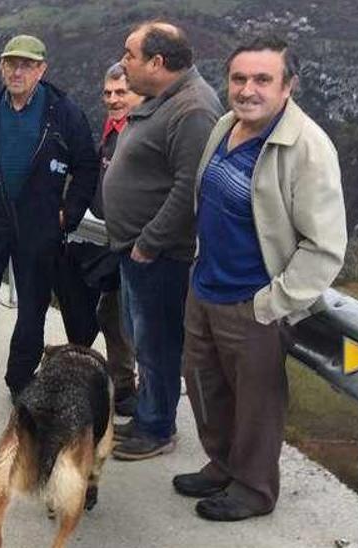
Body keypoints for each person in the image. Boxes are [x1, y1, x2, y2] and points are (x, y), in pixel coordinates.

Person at [175, 36, 347, 521]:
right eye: (239, 78)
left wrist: (273, 302)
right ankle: (223, 464)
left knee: (256, 403)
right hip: (205, 285)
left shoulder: (307, 148)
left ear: (288, 86)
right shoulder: (226, 126)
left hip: (254, 300)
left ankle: (252, 487)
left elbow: (325, 245)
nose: (247, 89)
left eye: (262, 79)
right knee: (205, 385)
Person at [0, 34, 99, 407]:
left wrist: (69, 213)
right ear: (2, 67)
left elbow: (86, 165)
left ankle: (21, 379)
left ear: (42, 69)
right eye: (11, 63)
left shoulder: (63, 112)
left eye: (26, 64)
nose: (17, 71)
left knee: (32, 305)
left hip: (39, 226)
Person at [103, 21, 222, 460]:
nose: (123, 63)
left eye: (130, 55)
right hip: (138, 250)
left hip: (159, 255)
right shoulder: (166, 99)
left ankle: (156, 429)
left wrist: (149, 242)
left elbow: (190, 186)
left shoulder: (192, 109)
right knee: (145, 339)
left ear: (157, 62)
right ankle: (148, 415)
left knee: (157, 344)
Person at [52, 63, 142, 417]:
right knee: (109, 313)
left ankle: (131, 392)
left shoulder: (139, 133)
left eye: (121, 93)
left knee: (127, 318)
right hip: (109, 235)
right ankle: (119, 385)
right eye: (107, 93)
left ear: (140, 94)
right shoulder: (112, 130)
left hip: (135, 241)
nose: (112, 99)